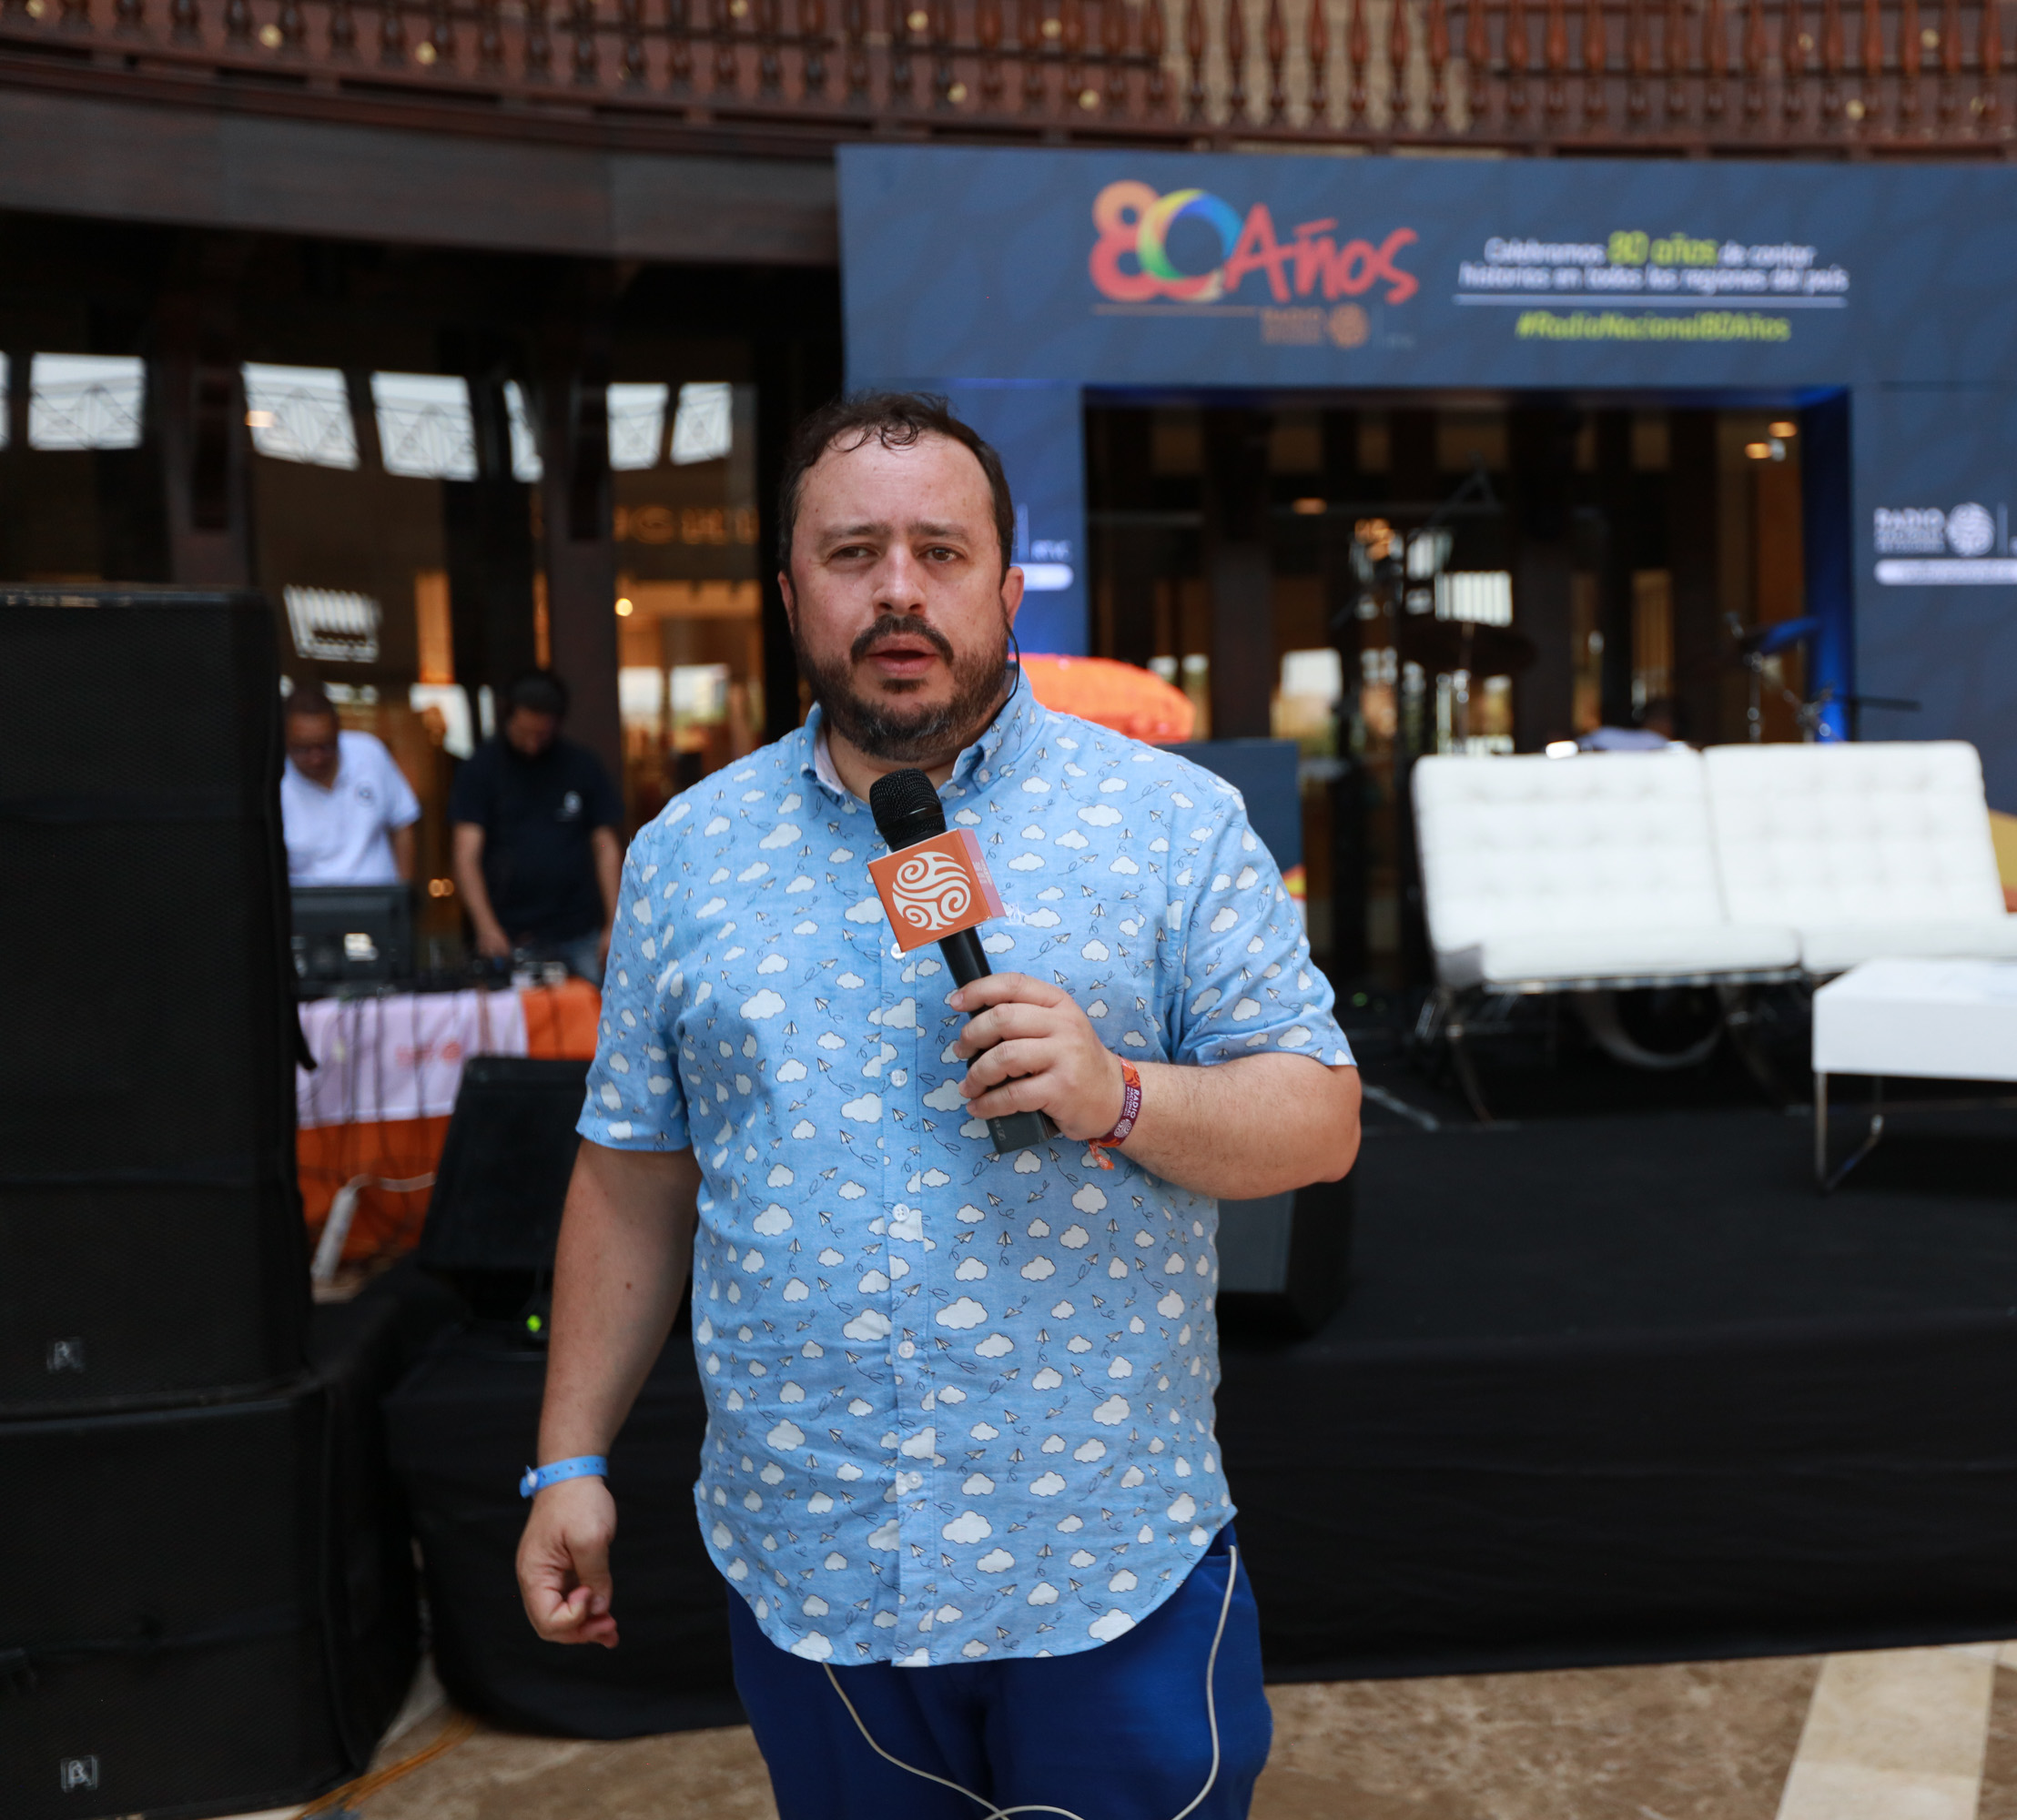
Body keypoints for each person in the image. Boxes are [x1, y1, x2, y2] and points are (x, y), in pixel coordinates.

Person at [512, 392, 1360, 1820]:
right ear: (792, 593)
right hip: (815, 1569)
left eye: (940, 551)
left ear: (1007, 588)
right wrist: (568, 1460)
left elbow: (1320, 1121)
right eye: (852, 553)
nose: (897, 590)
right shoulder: (685, 856)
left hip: (1104, 1564)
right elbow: (635, 1172)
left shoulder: (1169, 823)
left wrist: (1119, 1094)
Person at [449, 670, 623, 982]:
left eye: (542, 735)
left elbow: (605, 845)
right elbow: (466, 855)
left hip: (579, 930)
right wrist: (486, 926)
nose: (532, 744)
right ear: (508, 718)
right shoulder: (481, 770)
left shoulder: (581, 766)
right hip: (510, 933)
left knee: (592, 1007)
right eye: (524, 733)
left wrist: (614, 922)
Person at [279, 683, 421, 886]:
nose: (316, 758)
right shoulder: (274, 781)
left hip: (378, 898)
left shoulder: (369, 753)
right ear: (284, 741)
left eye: (326, 746)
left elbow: (403, 821)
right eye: (303, 749)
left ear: (338, 730)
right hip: (308, 902)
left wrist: (402, 892)